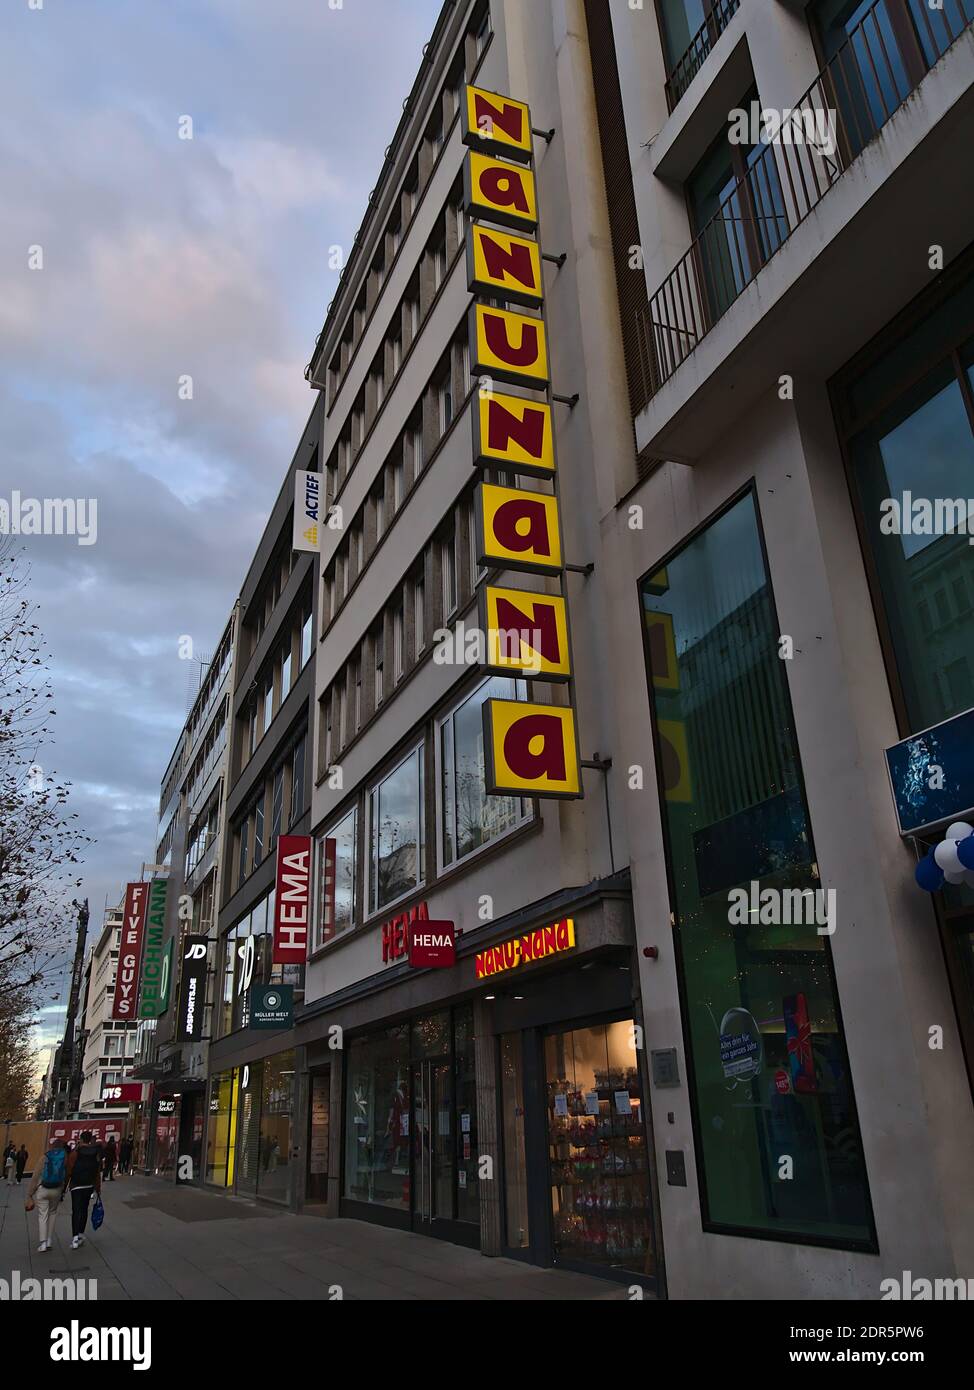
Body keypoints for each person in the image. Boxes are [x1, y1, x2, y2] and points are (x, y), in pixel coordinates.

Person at [25, 1138, 68, 1252]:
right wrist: (63, 1189)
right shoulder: (64, 1157)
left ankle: (43, 1243)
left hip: (43, 1189)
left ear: (52, 1146)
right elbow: (65, 1174)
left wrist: (30, 1194)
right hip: (57, 1189)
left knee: (42, 1215)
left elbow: (35, 1176)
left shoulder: (45, 1157)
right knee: (53, 1213)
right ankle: (49, 1240)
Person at [64, 1130, 101, 1248]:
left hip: (76, 1185)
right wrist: (97, 1188)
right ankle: (81, 1234)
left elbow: (69, 1170)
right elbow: (97, 1172)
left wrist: (64, 1186)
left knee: (76, 1211)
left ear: (80, 1138)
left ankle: (74, 1238)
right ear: (90, 1139)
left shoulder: (76, 1152)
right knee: (84, 1209)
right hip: (89, 1185)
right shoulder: (95, 1152)